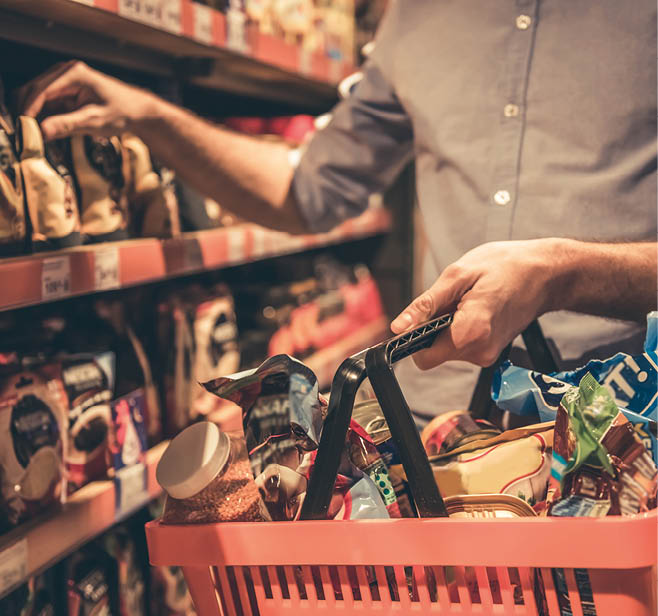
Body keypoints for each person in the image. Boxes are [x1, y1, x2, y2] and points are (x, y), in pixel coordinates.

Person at [17, 0, 657, 417]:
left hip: (633, 416)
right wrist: (149, 116)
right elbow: (309, 190)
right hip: (446, 416)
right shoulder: (418, 18)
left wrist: (564, 272)